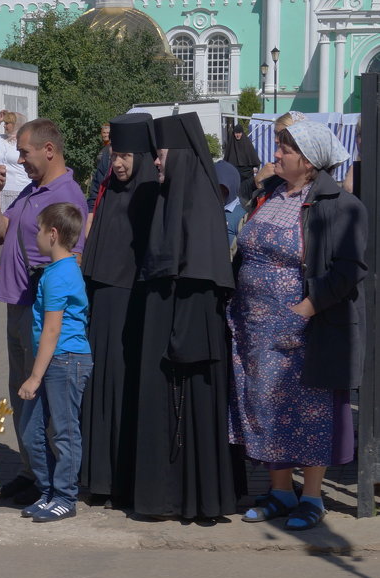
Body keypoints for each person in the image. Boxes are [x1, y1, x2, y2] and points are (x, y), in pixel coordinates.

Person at [229, 121, 366, 531]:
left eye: (284, 150)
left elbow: (349, 270)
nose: (276, 155)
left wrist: (305, 309)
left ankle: (311, 498)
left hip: (304, 327)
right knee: (265, 408)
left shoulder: (338, 205)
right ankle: (280, 492)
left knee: (310, 412)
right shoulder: (267, 195)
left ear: (307, 160)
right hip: (253, 326)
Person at [132, 112, 237, 521]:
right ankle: (166, 498)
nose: (156, 163)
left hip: (191, 334)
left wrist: (179, 334)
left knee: (193, 411)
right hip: (169, 328)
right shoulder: (168, 200)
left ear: (177, 155)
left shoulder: (200, 206)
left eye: (160, 155)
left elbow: (203, 274)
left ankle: (198, 501)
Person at [0, 118, 88, 506]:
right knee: (21, 395)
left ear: (49, 150)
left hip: (39, 310)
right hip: (16, 304)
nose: (20, 159)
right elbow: (1, 230)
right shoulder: (33, 188)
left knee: (38, 397)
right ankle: (32, 472)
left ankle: (50, 484)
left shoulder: (66, 194)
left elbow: (70, 263)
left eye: (25, 152)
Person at [79, 113, 160, 508]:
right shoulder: (110, 189)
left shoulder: (151, 194)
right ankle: (98, 479)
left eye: (126, 154)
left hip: (132, 308)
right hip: (103, 303)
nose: (120, 163)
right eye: (115, 154)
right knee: (100, 389)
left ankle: (121, 481)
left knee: (122, 391)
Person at [18, 202, 91, 522]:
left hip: (66, 361)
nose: (34, 237)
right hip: (55, 361)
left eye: (38, 230)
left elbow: (52, 328)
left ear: (53, 233)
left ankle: (65, 495)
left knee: (63, 431)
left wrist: (34, 376)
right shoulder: (56, 271)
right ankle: (48, 490)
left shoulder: (60, 275)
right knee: (31, 429)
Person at [0, 111, 29, 211]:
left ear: (16, 125)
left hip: (20, 189)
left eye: (7, 123)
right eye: (4, 123)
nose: (4, 126)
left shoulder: (25, 141)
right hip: (0, 188)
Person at [213, 159, 246, 249]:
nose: (220, 192)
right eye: (215, 187)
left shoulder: (241, 216)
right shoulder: (206, 209)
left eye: (223, 188)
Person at [86, 121, 112, 211]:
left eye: (107, 133)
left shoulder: (111, 149)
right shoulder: (104, 148)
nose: (105, 135)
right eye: (103, 133)